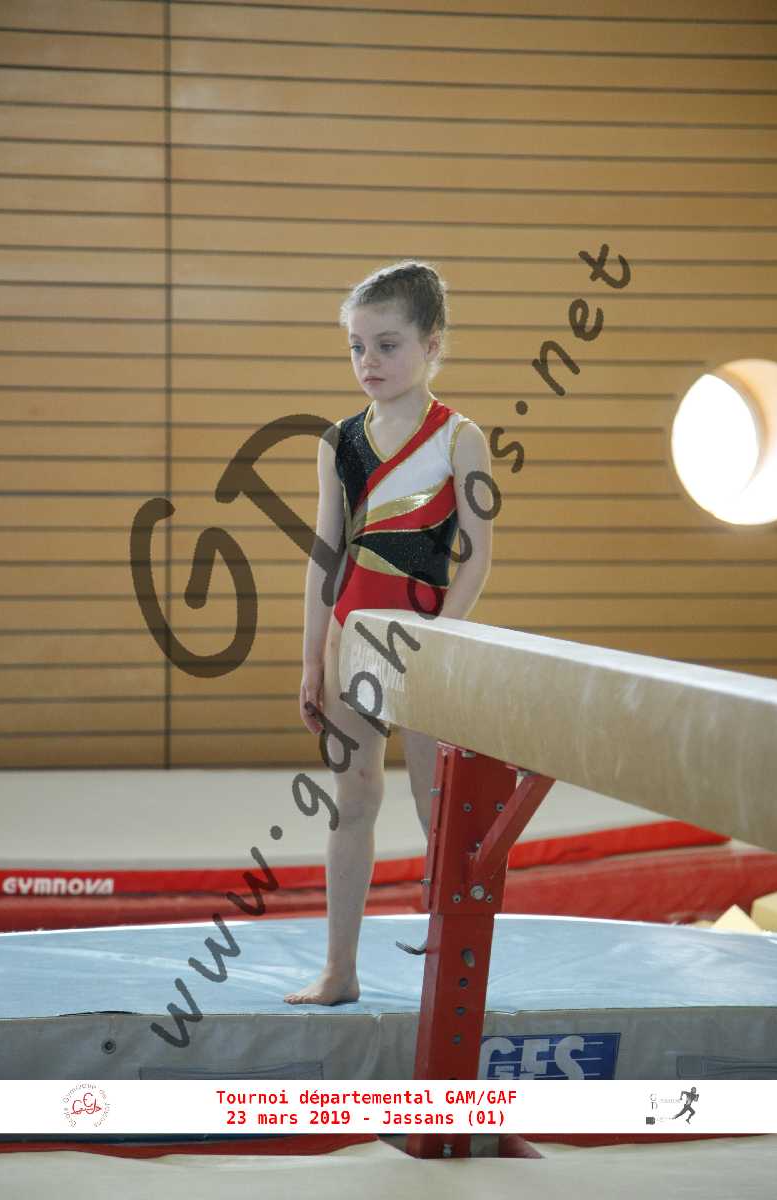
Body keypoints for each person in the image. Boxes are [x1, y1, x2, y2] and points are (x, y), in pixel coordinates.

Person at [284, 260, 493, 1006]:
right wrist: (312, 659)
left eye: (387, 345)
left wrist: (439, 640)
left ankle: (452, 977)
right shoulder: (339, 441)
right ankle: (340, 970)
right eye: (356, 347)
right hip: (350, 637)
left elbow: (477, 557)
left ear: (432, 345)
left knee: (439, 811)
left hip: (423, 646)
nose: (368, 362)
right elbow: (326, 554)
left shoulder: (462, 438)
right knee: (354, 800)